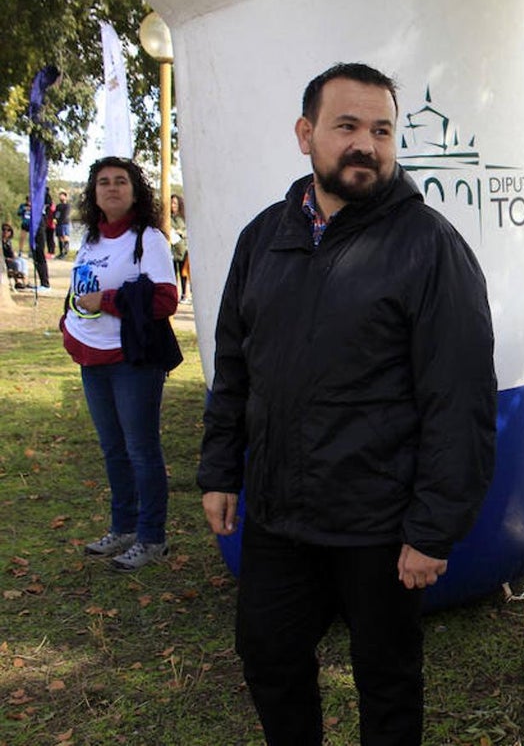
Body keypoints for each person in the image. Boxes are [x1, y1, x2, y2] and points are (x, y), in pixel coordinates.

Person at [197, 62, 497, 745]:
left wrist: (433, 526)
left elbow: (460, 401)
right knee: (268, 654)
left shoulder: (429, 246)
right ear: (306, 135)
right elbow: (235, 365)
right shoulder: (263, 236)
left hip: (379, 522)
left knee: (387, 681)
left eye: (382, 130)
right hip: (279, 510)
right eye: (348, 126)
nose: (367, 143)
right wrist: (219, 469)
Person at [62, 157, 182, 571]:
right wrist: (68, 327)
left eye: (120, 181)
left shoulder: (147, 239)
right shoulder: (90, 240)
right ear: (93, 194)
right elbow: (81, 291)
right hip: (91, 360)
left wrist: (109, 302)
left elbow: (167, 299)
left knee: (141, 450)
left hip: (133, 361)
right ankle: (124, 527)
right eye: (103, 183)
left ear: (134, 191)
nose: (111, 188)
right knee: (113, 450)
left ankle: (152, 537)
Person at [169, 194, 190, 302]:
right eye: (171, 203)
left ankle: (184, 295)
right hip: (171, 249)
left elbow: (189, 230)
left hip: (182, 249)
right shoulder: (167, 218)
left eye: (175, 203)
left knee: (183, 273)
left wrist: (181, 232)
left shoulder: (184, 217)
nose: (173, 205)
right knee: (173, 274)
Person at [3, 222, 28, 289]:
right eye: (4, 230)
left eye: (8, 230)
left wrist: (14, 256)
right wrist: (7, 258)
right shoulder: (1, 242)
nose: (6, 232)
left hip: (10, 258)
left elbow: (11, 253)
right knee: (17, 263)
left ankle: (25, 281)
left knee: (23, 261)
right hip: (5, 260)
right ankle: (18, 281)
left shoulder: (8, 242)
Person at [55, 190, 72, 258]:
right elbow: (56, 214)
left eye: (62, 195)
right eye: (60, 196)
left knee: (65, 237)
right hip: (58, 223)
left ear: (65, 197)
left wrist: (60, 220)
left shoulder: (67, 206)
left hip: (65, 223)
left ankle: (66, 252)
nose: (60, 197)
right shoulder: (58, 206)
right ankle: (61, 252)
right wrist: (55, 219)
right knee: (59, 237)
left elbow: (65, 215)